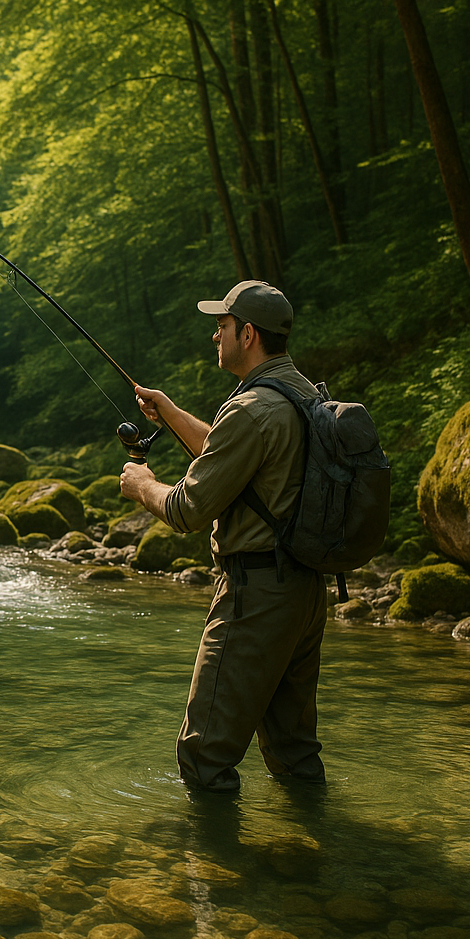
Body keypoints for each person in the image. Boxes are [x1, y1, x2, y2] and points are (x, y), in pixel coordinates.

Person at [119, 279, 328, 795]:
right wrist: (167, 410)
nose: (216, 338)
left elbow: (188, 508)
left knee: (204, 755)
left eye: (222, 327)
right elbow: (227, 454)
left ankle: (214, 872)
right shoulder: (301, 392)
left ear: (248, 333)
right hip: (303, 592)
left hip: (255, 596)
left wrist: (143, 485)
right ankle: (315, 863)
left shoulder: (252, 408)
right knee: (293, 752)